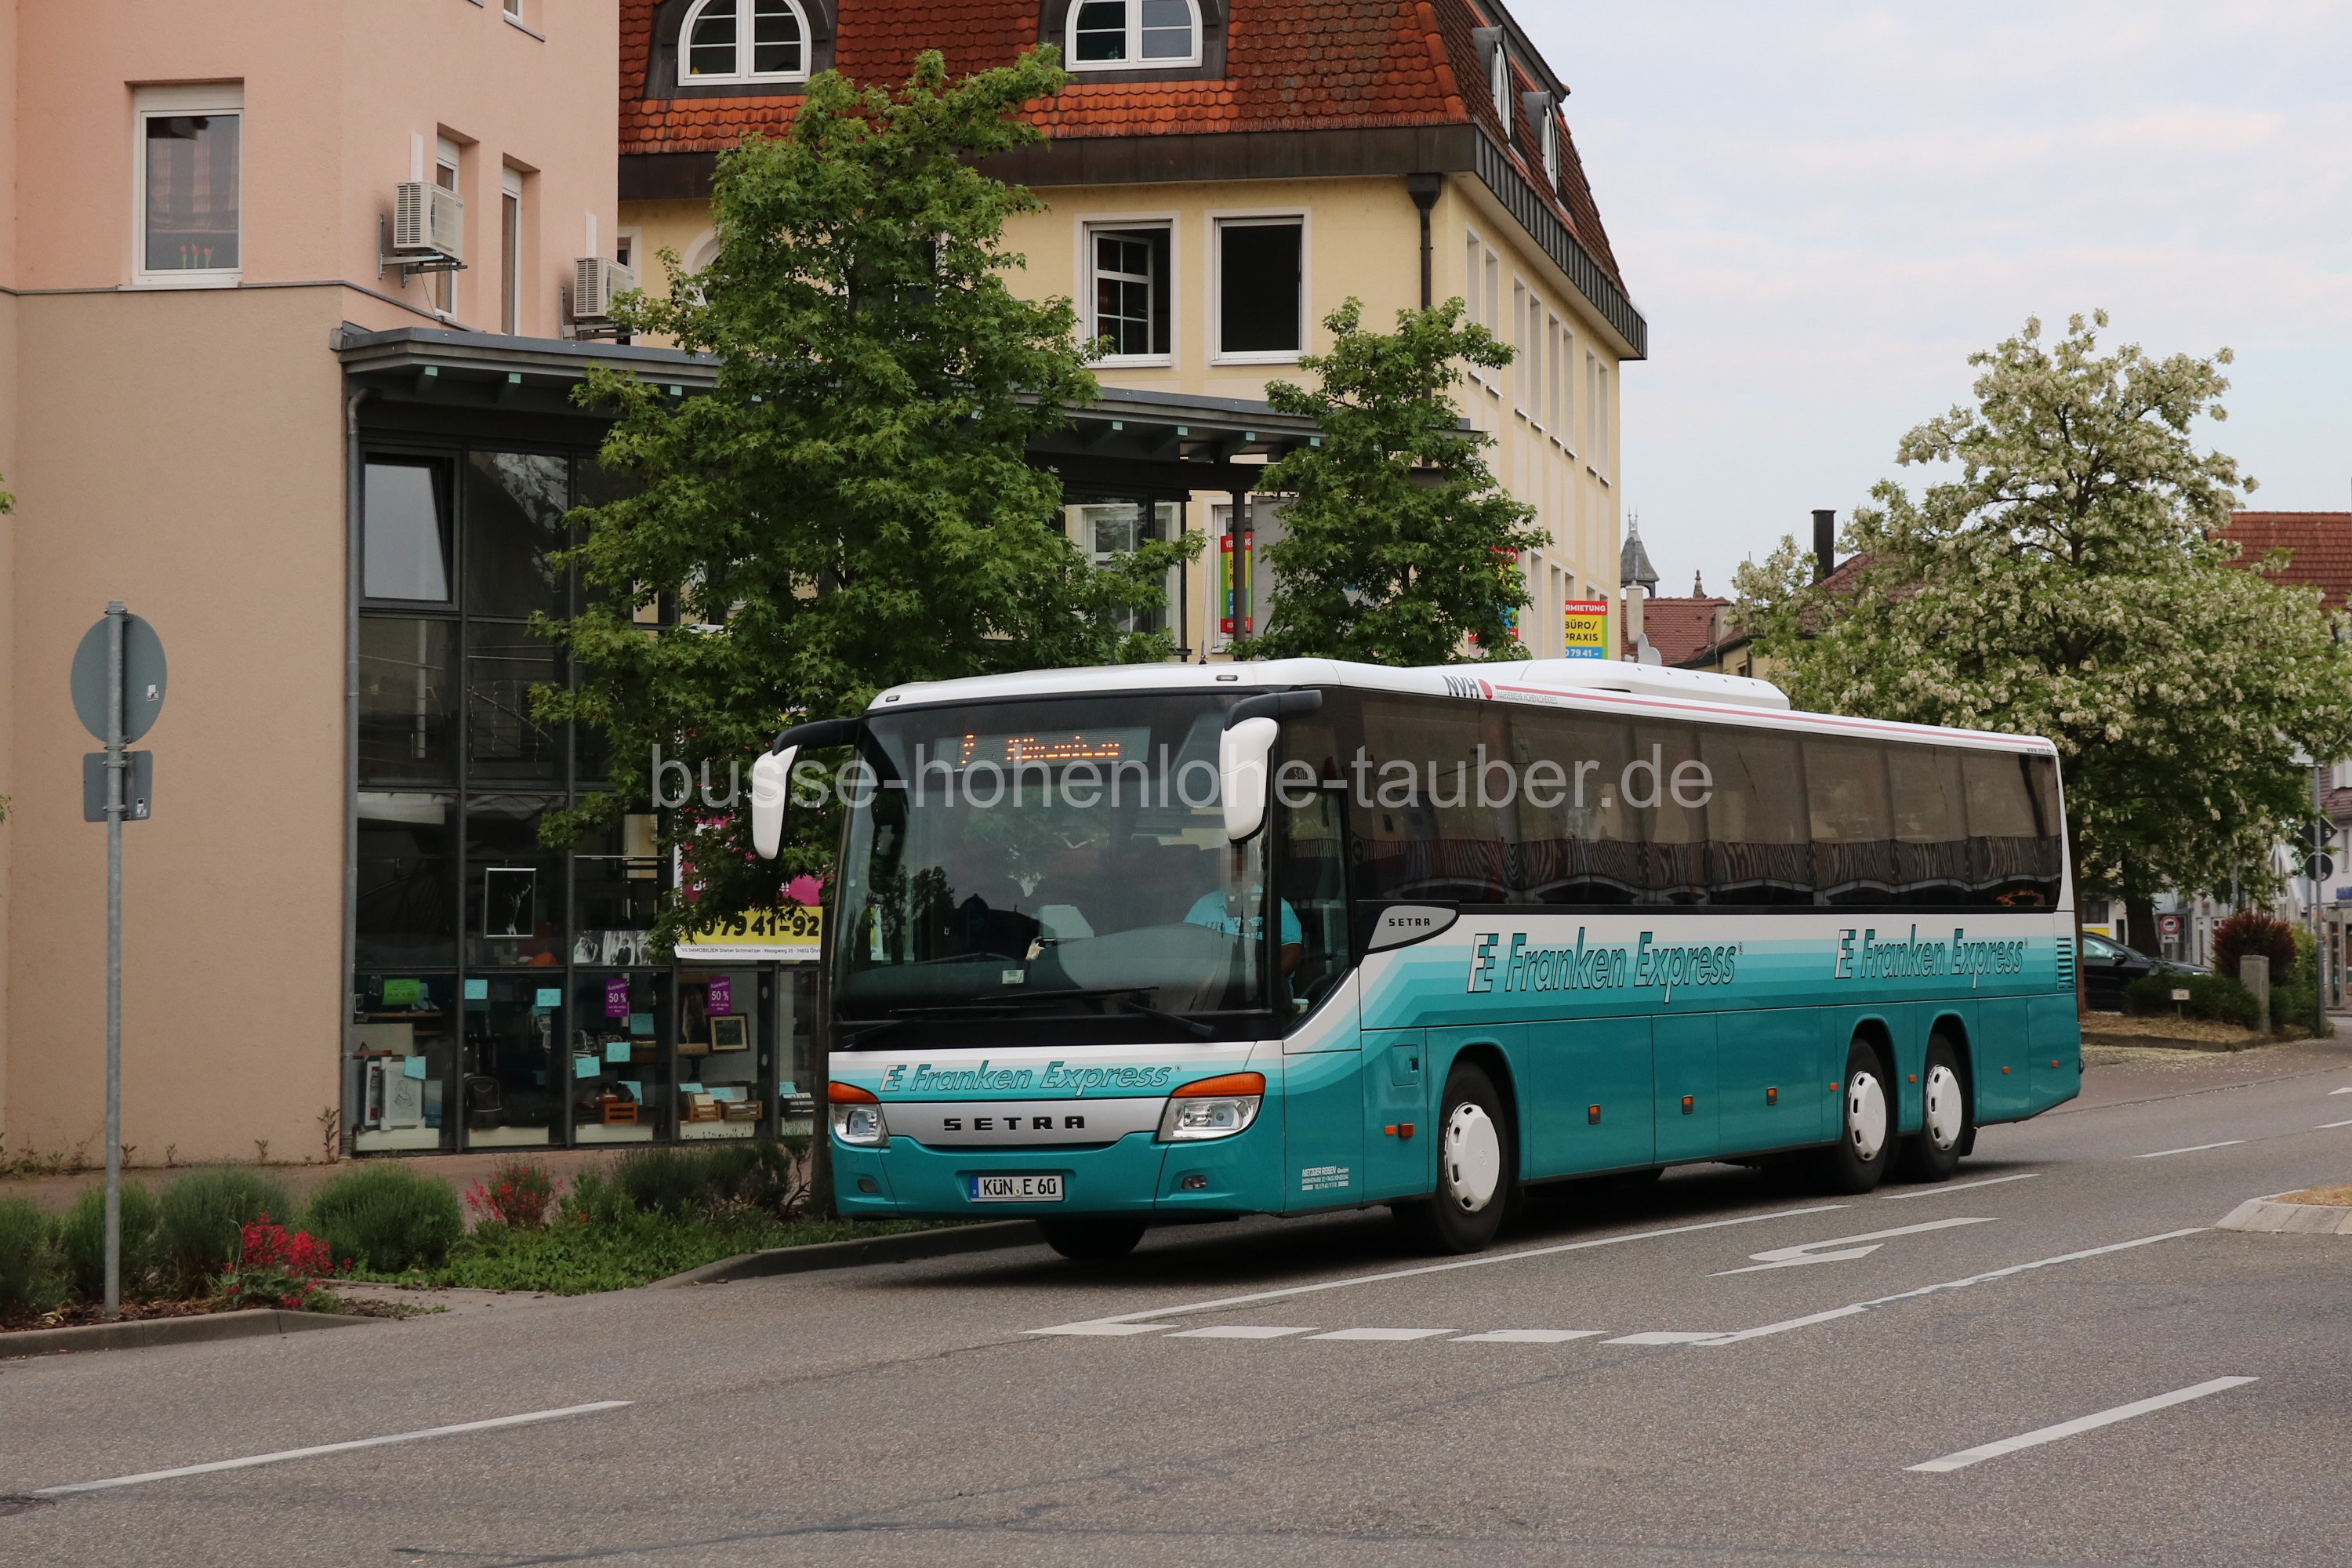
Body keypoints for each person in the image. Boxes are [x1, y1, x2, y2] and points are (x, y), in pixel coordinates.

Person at [1183, 883, 1304, 975]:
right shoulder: (1203, 905)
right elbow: (1183, 948)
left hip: (1260, 994)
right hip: (1208, 992)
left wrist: (1262, 979)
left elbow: (1291, 950)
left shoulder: (1275, 904)